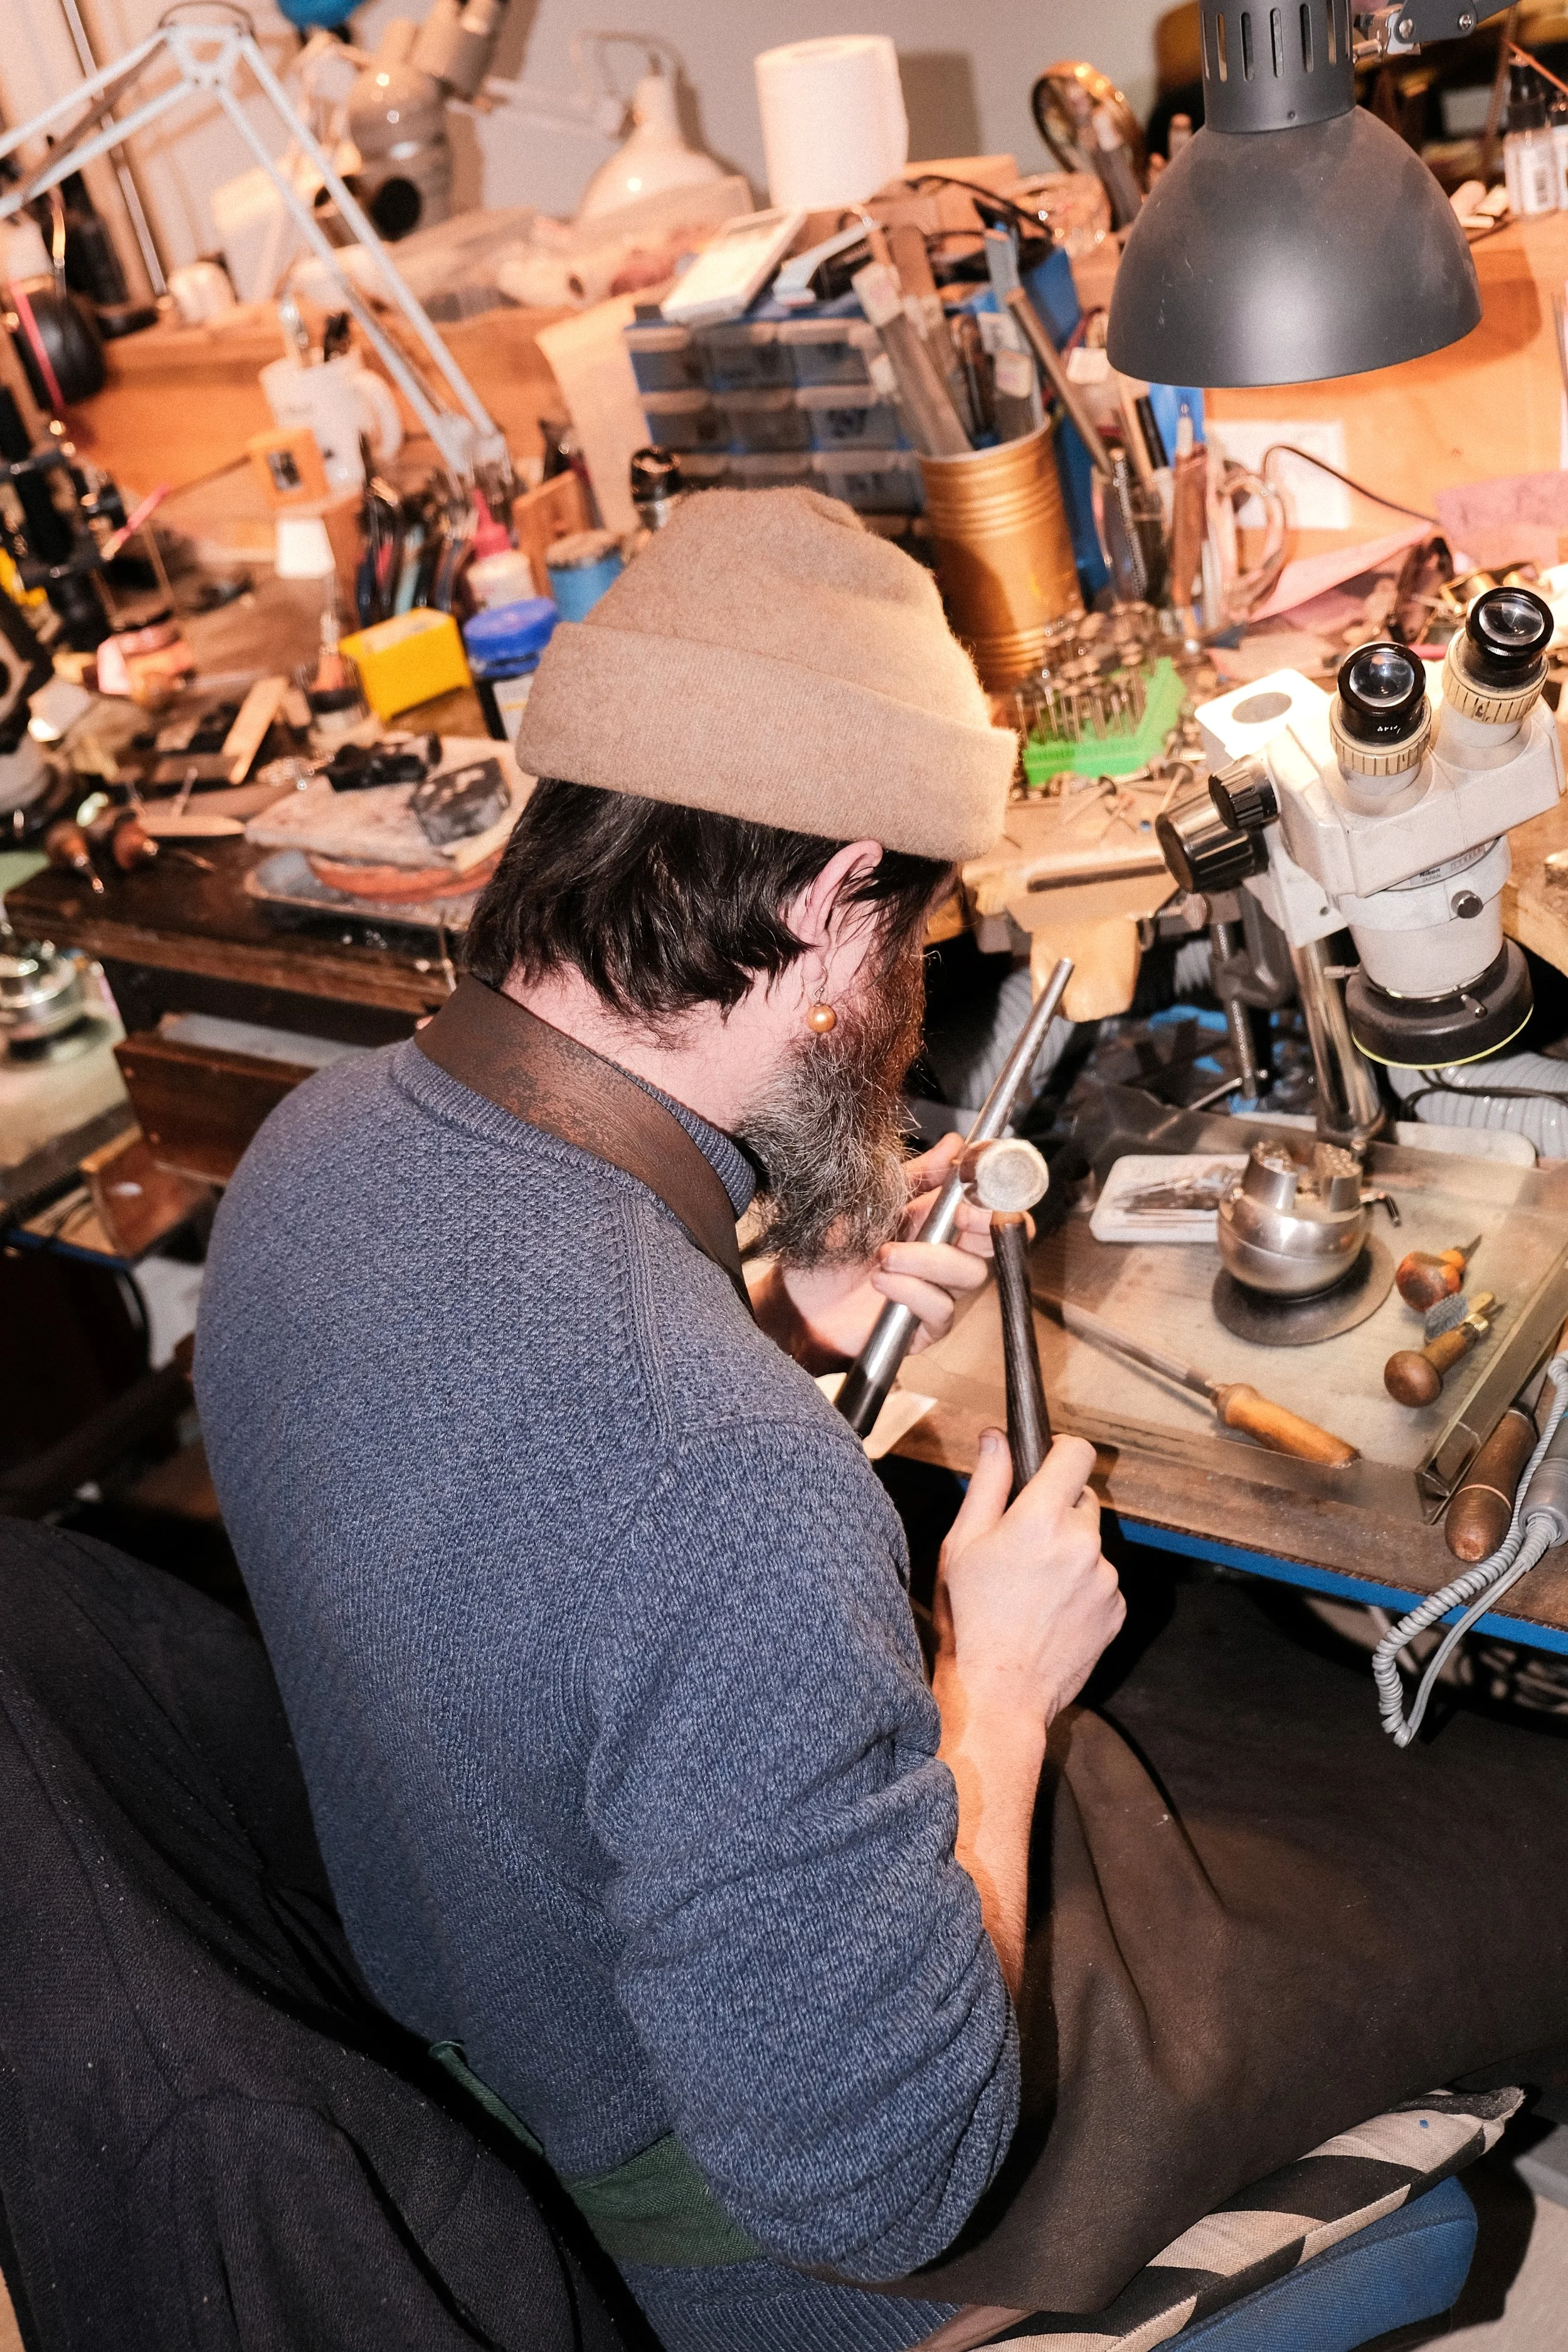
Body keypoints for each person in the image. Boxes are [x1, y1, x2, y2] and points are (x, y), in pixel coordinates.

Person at [198, 491, 1568, 2352]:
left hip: (502, 1995)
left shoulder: (315, 1155)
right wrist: (989, 1690)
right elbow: (882, 2174)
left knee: (1229, 1716)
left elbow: (524, 1521)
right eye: (911, 934)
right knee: (1502, 1841)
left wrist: (761, 1309)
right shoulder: (713, 1474)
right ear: (835, 892)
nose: (907, 1010)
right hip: (759, 2223)